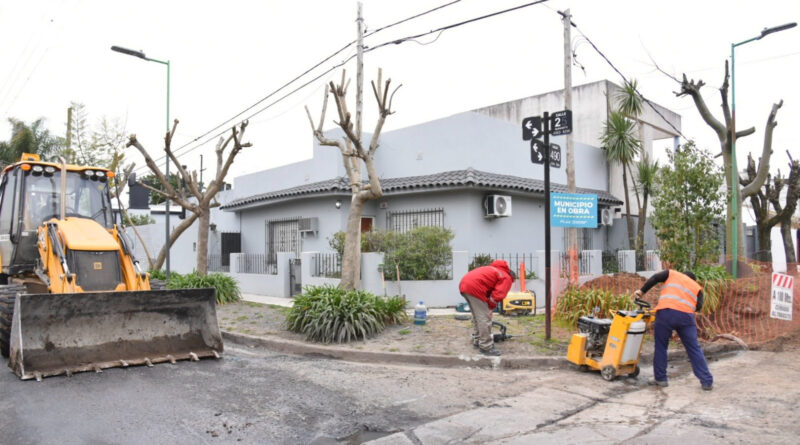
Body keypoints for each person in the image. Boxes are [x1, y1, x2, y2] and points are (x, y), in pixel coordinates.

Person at [634, 269, 714, 391]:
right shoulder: (697, 287)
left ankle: (660, 379)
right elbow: (698, 306)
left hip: (666, 312)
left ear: (683, 274)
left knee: (661, 346)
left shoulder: (672, 274)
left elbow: (655, 278)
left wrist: (641, 291)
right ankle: (706, 381)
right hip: (686, 317)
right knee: (694, 348)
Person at [458, 259, 513, 356]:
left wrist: (488, 306)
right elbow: (498, 295)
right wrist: (490, 308)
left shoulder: (492, 270)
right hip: (475, 288)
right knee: (484, 318)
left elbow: (489, 289)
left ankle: (478, 341)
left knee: (477, 317)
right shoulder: (506, 277)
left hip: (464, 285)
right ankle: (486, 347)